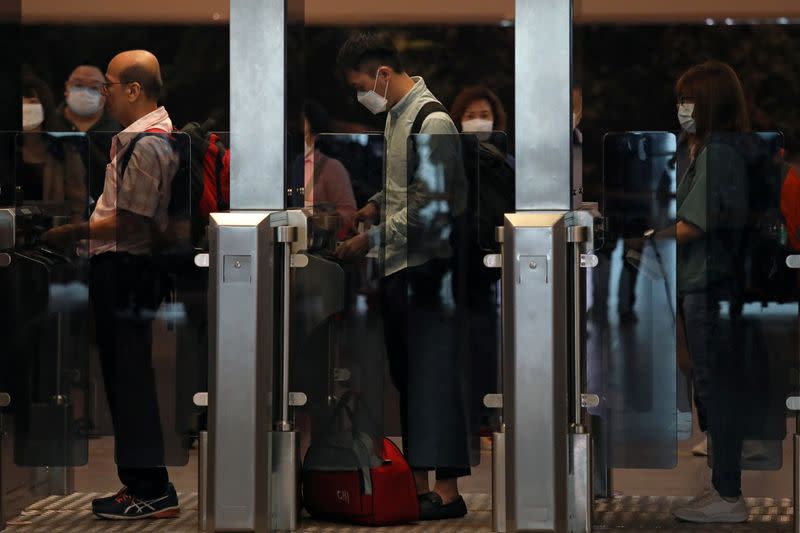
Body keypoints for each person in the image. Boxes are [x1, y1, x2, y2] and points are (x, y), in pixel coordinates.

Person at [334, 31, 470, 521]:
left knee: (435, 378)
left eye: (359, 85)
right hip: (401, 268)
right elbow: (402, 189)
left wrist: (369, 240)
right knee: (411, 378)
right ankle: (418, 483)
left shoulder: (433, 122)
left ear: (382, 74)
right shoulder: (397, 118)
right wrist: (371, 206)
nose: (359, 95)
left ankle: (449, 492)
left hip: (428, 270)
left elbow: (429, 207)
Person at [43, 49, 181, 520]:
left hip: (125, 270)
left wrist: (75, 231)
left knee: (130, 381)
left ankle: (149, 487)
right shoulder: (142, 139)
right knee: (126, 380)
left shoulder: (149, 143)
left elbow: (132, 222)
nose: (104, 93)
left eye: (110, 83)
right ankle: (144, 483)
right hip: (123, 270)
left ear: (134, 90)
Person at [628, 61, 751, 523]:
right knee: (708, 386)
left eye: (689, 99)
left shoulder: (718, 154)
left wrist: (647, 236)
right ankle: (721, 484)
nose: (681, 108)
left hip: (712, 286)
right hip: (703, 285)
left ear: (709, 103)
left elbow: (694, 224)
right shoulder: (705, 150)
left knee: (717, 388)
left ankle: (729, 494)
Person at [19, 73, 87, 222]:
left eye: (31, 101)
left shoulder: (65, 150)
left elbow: (78, 205)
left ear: (44, 105)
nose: (25, 107)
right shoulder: (7, 148)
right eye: (21, 102)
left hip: (53, 235)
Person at [58, 65, 121, 204]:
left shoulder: (120, 129)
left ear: (105, 93)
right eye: (78, 85)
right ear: (67, 88)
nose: (84, 92)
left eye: (93, 88)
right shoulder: (50, 124)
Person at [295, 100, 357, 232]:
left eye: (302, 124)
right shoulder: (295, 164)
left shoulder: (332, 167)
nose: (298, 130)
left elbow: (350, 214)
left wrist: (323, 218)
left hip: (322, 244)